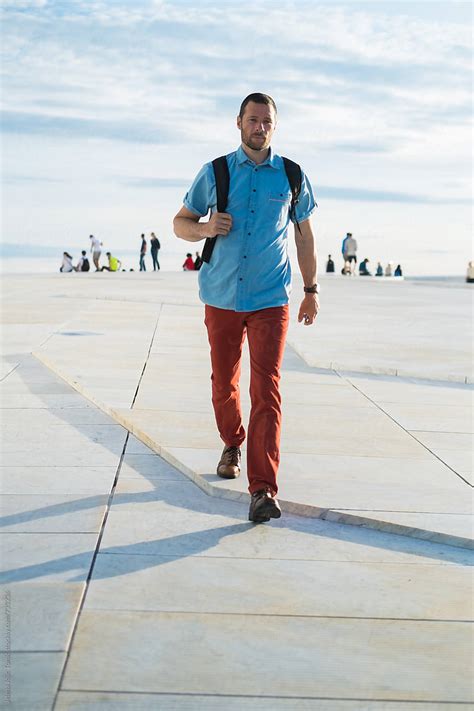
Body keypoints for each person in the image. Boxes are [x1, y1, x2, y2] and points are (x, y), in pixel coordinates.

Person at [173, 92, 319, 524]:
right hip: (220, 295)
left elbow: (305, 237)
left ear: (275, 125)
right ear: (238, 122)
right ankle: (232, 441)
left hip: (271, 298)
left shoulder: (291, 175)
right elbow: (179, 223)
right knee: (224, 382)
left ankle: (263, 489)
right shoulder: (215, 171)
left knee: (267, 388)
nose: (260, 127)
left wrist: (310, 290)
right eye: (253, 120)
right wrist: (203, 227)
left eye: (267, 121)